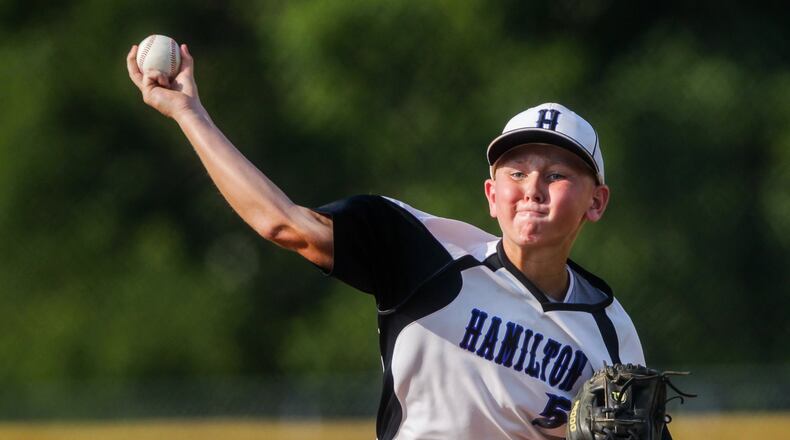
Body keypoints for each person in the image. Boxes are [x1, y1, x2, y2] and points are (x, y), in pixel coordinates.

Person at [127, 43, 646, 440]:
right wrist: (189, 114)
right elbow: (282, 223)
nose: (531, 189)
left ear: (596, 202)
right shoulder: (425, 251)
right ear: (491, 194)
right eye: (515, 173)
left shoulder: (610, 331)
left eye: (556, 175)